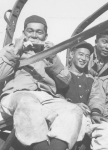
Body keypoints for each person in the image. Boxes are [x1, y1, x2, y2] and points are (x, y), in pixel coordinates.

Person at [0, 15, 84, 150]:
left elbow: (65, 81)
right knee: (27, 101)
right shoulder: (11, 49)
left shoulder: (50, 54)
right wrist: (15, 51)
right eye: (30, 31)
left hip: (46, 97)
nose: (34, 35)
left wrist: (53, 58)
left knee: (74, 110)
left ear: (45, 36)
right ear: (23, 33)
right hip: (17, 95)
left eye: (39, 32)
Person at [59, 41, 108, 150]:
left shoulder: (91, 79)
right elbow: (55, 95)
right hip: (67, 116)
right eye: (80, 54)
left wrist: (95, 112)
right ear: (71, 55)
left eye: (87, 56)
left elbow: (96, 98)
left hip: (88, 118)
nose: (84, 59)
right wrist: (72, 105)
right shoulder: (62, 74)